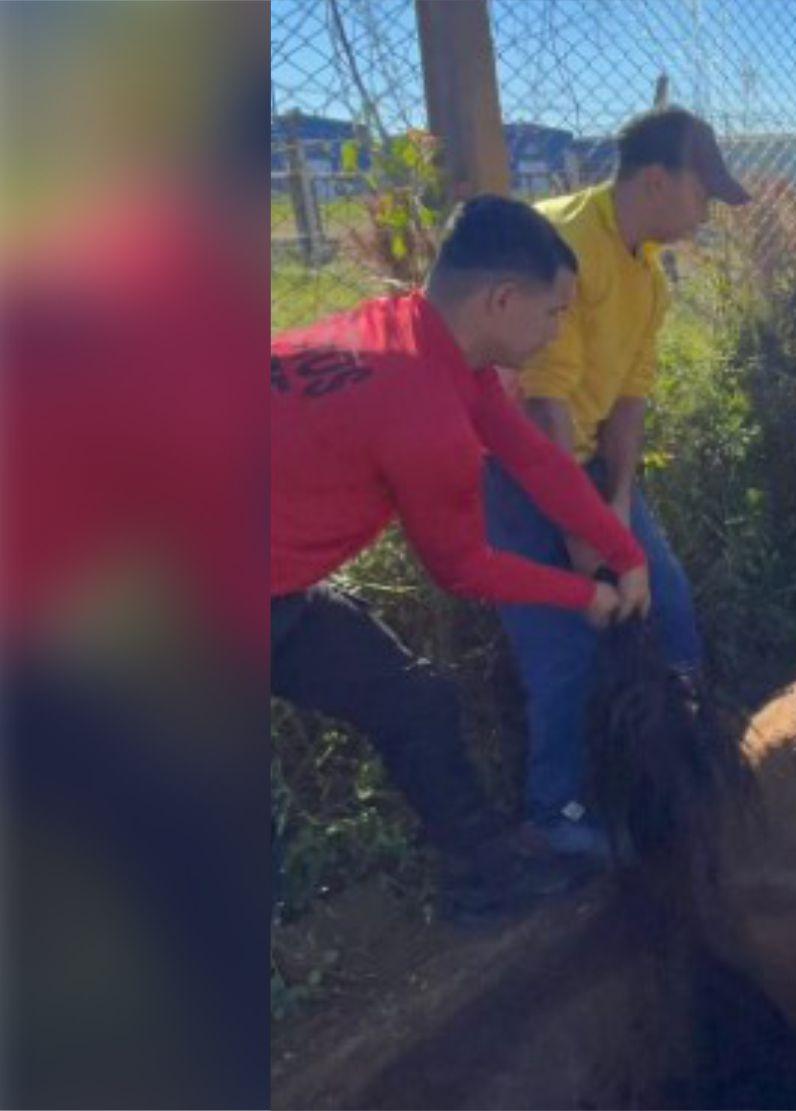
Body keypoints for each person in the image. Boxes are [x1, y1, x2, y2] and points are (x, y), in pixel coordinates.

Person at [271, 195, 650, 922]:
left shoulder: (418, 338)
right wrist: (586, 595)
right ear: (502, 299)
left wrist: (622, 549)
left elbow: (533, 458)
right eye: (555, 311)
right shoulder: (425, 414)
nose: (558, 330)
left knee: (413, 699)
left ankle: (486, 875)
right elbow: (462, 568)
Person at [484, 105, 751, 862]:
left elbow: (630, 393)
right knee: (562, 645)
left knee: (666, 602)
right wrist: (579, 534)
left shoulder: (649, 279)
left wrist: (620, 501)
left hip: (587, 457)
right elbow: (542, 398)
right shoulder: (564, 244)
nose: (706, 215)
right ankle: (555, 812)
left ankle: (686, 767)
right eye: (704, 196)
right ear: (657, 181)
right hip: (508, 465)